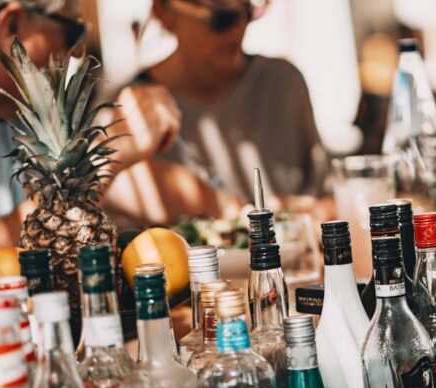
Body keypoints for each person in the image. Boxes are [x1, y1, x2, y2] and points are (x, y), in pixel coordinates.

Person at [0, 0, 180, 288]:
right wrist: (102, 159)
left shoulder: (6, 101)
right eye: (73, 32)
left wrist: (229, 206)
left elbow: (132, 184)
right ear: (11, 25)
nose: (78, 52)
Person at [104, 0, 333, 226]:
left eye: (249, 11)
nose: (239, 28)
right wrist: (235, 210)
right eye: (222, 17)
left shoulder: (284, 83)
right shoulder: (125, 113)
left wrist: (313, 214)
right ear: (163, 11)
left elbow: (330, 199)